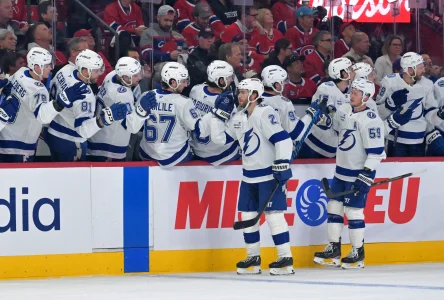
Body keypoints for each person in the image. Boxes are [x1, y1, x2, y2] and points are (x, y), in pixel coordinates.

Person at [210, 78, 295, 275]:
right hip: (248, 177)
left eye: (243, 92)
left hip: (268, 176)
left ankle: (285, 258)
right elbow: (221, 139)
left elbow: (283, 139)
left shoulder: (265, 113)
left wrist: (282, 163)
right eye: (239, 92)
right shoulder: (239, 117)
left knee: (274, 216)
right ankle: (253, 258)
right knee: (247, 216)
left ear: (255, 95)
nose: (238, 96)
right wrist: (217, 117)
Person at [313, 78, 386, 269]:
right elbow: (335, 129)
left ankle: (357, 252)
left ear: (367, 97)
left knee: (354, 212)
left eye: (356, 93)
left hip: (357, 174)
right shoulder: (345, 110)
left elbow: (376, 152)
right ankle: (334, 248)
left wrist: (366, 175)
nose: (351, 95)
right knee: (334, 208)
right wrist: (324, 118)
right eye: (351, 91)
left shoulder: (372, 121)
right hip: (340, 172)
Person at [0, 47, 87, 162]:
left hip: (6, 137)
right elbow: (43, 117)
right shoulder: (38, 90)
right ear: (36, 67)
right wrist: (62, 100)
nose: (50, 68)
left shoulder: (20, 73)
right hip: (20, 145)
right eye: (46, 65)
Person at [46, 49, 128, 162]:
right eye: (96, 70)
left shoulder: (65, 70)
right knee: (74, 179)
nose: (100, 73)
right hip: (70, 141)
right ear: (85, 71)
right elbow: (83, 130)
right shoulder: (85, 94)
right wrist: (105, 118)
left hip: (53, 132)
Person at [138, 62, 212, 167]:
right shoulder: (184, 102)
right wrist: (215, 113)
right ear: (173, 82)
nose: (186, 85)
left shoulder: (147, 96)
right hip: (174, 157)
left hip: (146, 153)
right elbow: (200, 130)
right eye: (183, 81)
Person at [88, 57, 157, 162]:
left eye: (139, 73)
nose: (139, 77)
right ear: (125, 77)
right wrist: (141, 110)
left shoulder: (112, 75)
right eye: (135, 75)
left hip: (97, 137)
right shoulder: (122, 95)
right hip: (108, 147)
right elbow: (132, 127)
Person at [377, 52, 444, 157]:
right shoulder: (390, 82)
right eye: (420, 67)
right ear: (409, 70)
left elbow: (429, 113)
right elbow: (379, 114)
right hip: (396, 141)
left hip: (418, 141)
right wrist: (390, 104)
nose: (424, 70)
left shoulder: (427, 84)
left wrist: (439, 114)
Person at [298, 57, 355, 159]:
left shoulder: (352, 91)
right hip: (313, 145)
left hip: (333, 147)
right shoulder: (326, 88)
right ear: (343, 74)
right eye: (350, 69)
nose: (353, 71)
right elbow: (323, 119)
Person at [189, 60, 240, 165]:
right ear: (221, 81)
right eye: (229, 77)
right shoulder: (227, 104)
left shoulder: (195, 90)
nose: (231, 80)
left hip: (197, 150)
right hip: (221, 154)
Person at [261, 65, 323, 141]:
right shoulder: (283, 103)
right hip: (275, 150)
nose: (285, 84)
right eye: (283, 82)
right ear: (276, 85)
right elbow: (296, 134)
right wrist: (311, 114)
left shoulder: (252, 99)